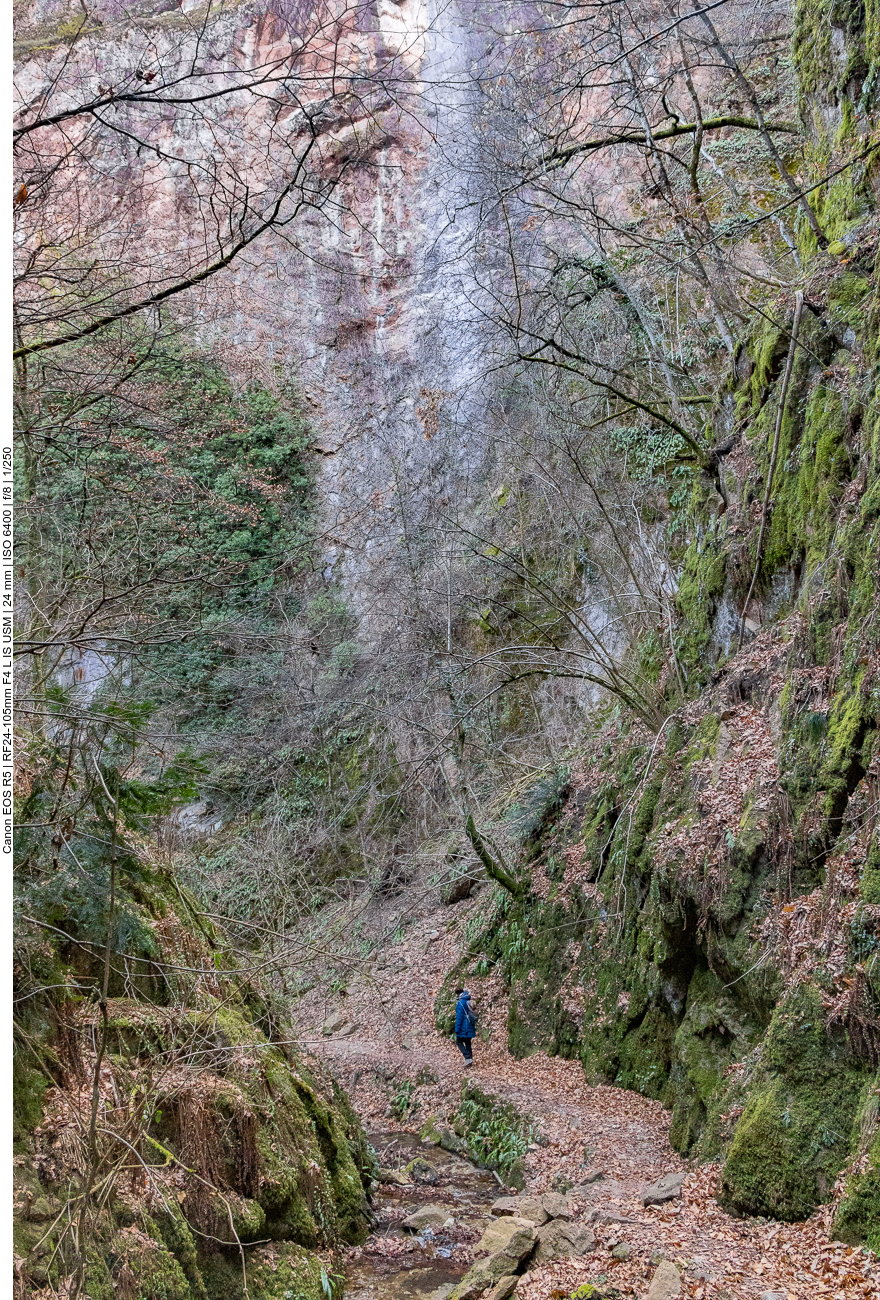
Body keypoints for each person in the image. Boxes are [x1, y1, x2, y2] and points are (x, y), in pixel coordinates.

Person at [454, 987, 477, 1067]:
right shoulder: (468, 1000)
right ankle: (470, 1060)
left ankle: (467, 1058)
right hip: (470, 1025)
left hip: (464, 1027)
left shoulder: (460, 1003)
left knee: (459, 1041)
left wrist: (457, 1029)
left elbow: (459, 1017)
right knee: (467, 1042)